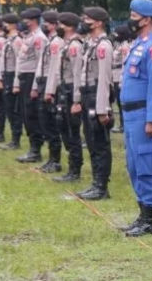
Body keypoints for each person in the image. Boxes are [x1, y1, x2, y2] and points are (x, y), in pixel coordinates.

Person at [118, 0, 152, 237]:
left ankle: (149, 218)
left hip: (142, 114)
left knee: (147, 164)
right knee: (134, 165)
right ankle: (142, 212)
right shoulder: (138, 44)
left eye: (134, 15)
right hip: (130, 114)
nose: (131, 19)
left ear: (147, 19)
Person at [75, 7, 114, 200]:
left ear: (98, 22)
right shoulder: (91, 44)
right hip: (87, 94)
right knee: (91, 141)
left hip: (96, 96)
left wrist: (102, 108)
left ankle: (101, 186)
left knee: (100, 143)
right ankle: (95, 183)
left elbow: (105, 79)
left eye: (88, 19)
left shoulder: (103, 46)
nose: (84, 21)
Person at [48, 12, 85, 182]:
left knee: (73, 131)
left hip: (72, 90)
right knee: (63, 126)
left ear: (69, 26)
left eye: (60, 24)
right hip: (64, 88)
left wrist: (77, 99)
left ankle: (74, 169)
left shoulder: (75, 45)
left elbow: (78, 73)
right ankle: (71, 167)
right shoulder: (66, 44)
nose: (58, 27)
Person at [13, 8, 46, 163]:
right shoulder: (29, 37)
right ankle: (32, 148)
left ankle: (36, 150)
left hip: (32, 77)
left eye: (25, 20)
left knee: (32, 115)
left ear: (32, 21)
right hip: (24, 78)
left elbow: (41, 63)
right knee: (26, 114)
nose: (23, 23)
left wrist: (34, 86)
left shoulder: (39, 38)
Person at [37, 11, 64, 173]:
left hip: (50, 85)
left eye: (46, 22)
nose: (44, 25)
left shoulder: (56, 43)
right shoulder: (50, 41)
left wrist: (49, 91)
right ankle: (51, 158)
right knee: (45, 123)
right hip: (43, 83)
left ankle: (56, 160)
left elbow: (54, 68)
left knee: (52, 125)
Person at [0, 13, 24, 150]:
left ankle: (16, 139)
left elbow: (19, 61)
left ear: (12, 25)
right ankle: (13, 138)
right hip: (7, 75)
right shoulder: (9, 40)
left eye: (5, 23)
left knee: (14, 110)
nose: (3, 26)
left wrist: (16, 82)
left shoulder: (17, 41)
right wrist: (0, 78)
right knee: (8, 108)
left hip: (13, 75)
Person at [111, 25, 131, 133]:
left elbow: (124, 63)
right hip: (114, 75)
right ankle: (122, 124)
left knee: (120, 102)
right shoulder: (118, 45)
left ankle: (124, 125)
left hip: (119, 75)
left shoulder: (124, 46)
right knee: (118, 102)